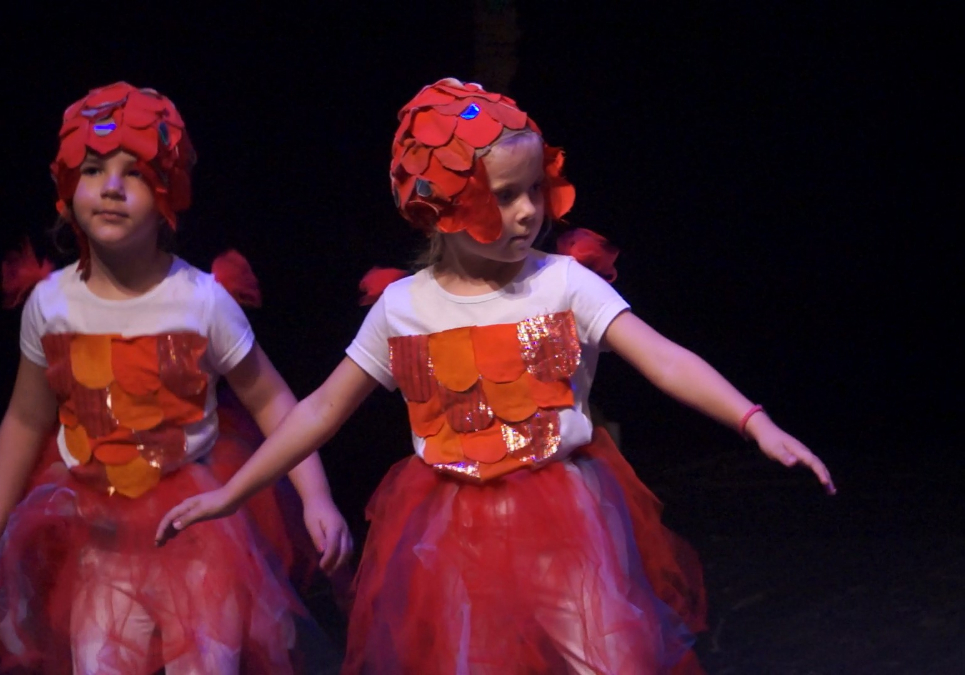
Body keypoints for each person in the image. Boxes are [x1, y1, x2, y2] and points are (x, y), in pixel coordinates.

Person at [156, 78, 835, 673]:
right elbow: (319, 410)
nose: (529, 211)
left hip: (566, 526)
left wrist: (754, 420)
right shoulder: (405, 308)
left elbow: (663, 358)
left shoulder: (563, 283)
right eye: (505, 196)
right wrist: (233, 492)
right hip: (452, 537)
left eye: (535, 189)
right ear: (442, 207)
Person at [0, 81, 350, 674]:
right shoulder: (51, 304)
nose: (111, 187)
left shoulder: (201, 301)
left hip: (198, 533)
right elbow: (25, 420)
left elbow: (273, 402)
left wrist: (317, 497)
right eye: (93, 169)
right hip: (96, 539)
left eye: (133, 173)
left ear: (166, 194)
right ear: (67, 187)